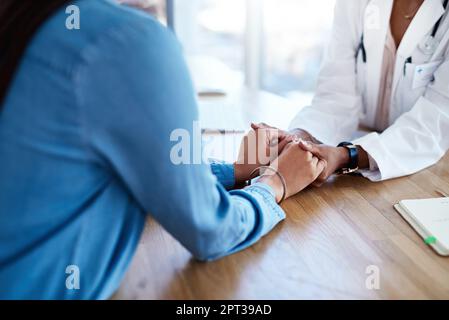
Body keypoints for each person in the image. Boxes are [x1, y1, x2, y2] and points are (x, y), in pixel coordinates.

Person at [0, 0, 325, 299]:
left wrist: (236, 172)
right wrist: (276, 183)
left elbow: (135, 161)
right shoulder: (127, 42)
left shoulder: (27, 21)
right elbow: (209, 230)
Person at [258, 0, 449, 184]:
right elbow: (335, 96)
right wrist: (300, 139)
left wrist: (346, 156)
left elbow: (434, 123)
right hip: (362, 157)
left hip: (429, 169)